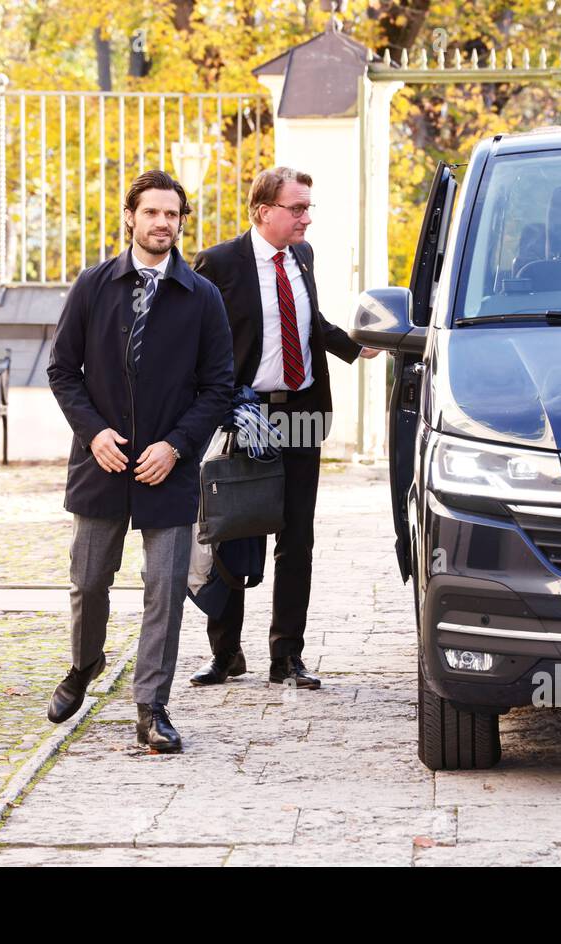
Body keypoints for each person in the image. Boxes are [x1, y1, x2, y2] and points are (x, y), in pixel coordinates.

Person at [46, 169, 234, 753]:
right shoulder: (93, 285)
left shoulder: (201, 297)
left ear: (181, 222)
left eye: (172, 215)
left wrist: (177, 445)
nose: (162, 223)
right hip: (99, 462)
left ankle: (152, 706)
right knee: (88, 581)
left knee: (166, 586)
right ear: (130, 216)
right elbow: (62, 371)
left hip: (167, 466)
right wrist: (94, 432)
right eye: (151, 212)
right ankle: (84, 665)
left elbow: (218, 386)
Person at [189, 166, 380, 691]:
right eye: (297, 208)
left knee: (298, 538)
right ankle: (225, 654)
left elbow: (308, 321)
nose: (306, 217)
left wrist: (355, 346)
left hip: (302, 412)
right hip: (249, 415)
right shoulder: (220, 263)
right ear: (263, 212)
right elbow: (200, 338)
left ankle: (287, 658)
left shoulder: (303, 257)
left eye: (308, 207)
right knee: (234, 533)